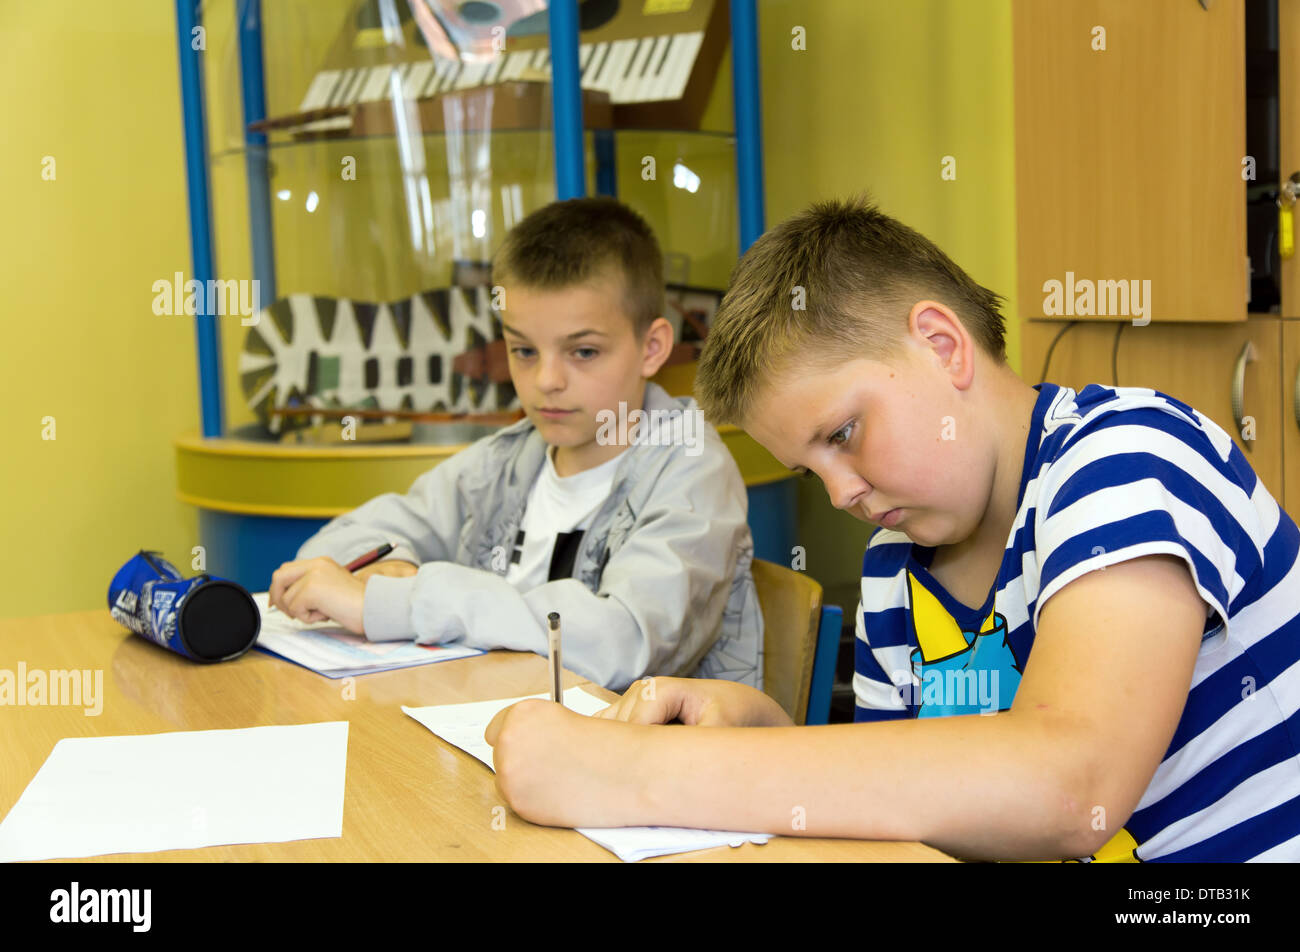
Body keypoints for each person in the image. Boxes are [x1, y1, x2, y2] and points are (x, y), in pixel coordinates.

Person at [484, 195, 1300, 862]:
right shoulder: (895, 565)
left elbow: (1071, 787)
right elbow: (922, 809)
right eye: (812, 468)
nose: (840, 494)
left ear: (942, 346)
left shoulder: (1128, 455)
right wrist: (766, 730)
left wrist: (643, 774)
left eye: (842, 435)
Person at [268, 197, 763, 692]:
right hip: (497, 733)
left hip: (649, 756)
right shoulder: (507, 460)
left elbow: (623, 643)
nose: (546, 380)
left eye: (584, 351)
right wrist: (393, 568)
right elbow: (336, 547)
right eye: (523, 350)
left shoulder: (693, 470)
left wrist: (405, 601)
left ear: (652, 348)